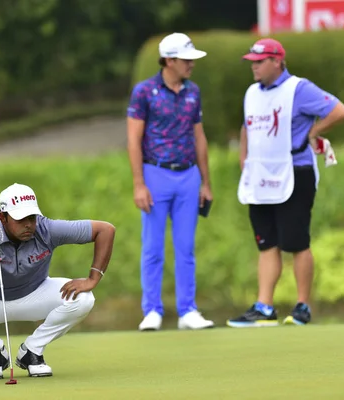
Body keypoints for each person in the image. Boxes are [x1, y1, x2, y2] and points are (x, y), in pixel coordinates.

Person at [227, 38, 344, 328]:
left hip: (295, 172)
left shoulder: (299, 88)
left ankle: (302, 306)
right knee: (266, 243)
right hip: (260, 176)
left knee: (296, 241)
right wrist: (244, 162)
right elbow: (247, 128)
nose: (254, 67)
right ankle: (264, 306)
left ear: (277, 61)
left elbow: (339, 111)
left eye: (259, 62)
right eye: (252, 63)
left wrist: (314, 131)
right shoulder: (252, 93)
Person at [0, 183, 115, 379]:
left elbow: (105, 230)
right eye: (20, 219)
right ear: (3, 217)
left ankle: (32, 351)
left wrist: (93, 278)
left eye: (31, 217)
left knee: (84, 298)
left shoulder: (45, 228)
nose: (28, 225)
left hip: (35, 295)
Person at [126, 32, 214, 331]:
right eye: (186, 59)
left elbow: (199, 136)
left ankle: (188, 310)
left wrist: (206, 182)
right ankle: (152, 310)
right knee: (153, 247)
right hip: (155, 174)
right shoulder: (144, 92)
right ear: (170, 60)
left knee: (186, 247)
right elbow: (133, 139)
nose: (191, 64)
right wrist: (139, 183)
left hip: (188, 175)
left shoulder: (193, 91)